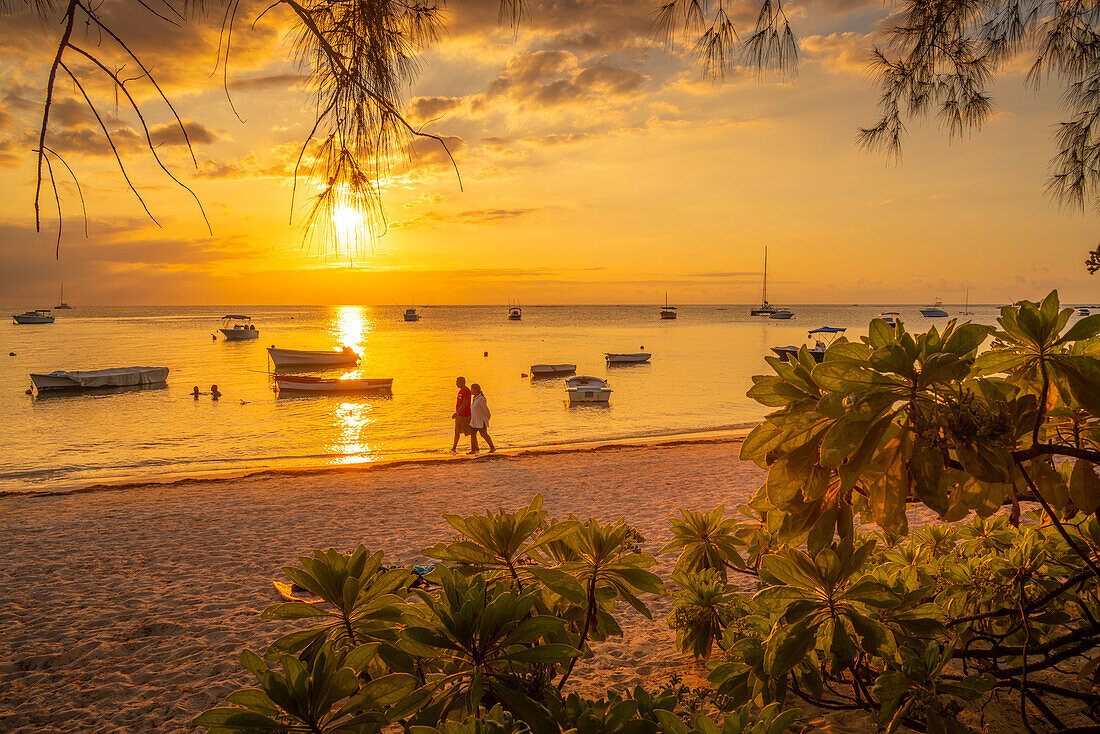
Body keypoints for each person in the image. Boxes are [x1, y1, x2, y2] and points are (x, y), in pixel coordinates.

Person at [468, 383, 496, 455]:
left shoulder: (481, 399)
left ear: (476, 390)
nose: (471, 391)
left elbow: (486, 410)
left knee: (484, 434)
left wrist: (487, 418)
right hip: (474, 421)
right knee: (473, 434)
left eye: (472, 389)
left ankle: (492, 447)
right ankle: (473, 450)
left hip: (480, 421)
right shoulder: (474, 398)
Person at [450, 376, 471, 454]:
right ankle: (454, 448)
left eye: (457, 382)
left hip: (465, 415)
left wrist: (457, 412)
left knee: (469, 432)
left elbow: (465, 403)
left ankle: (475, 448)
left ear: (462, 382)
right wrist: (457, 413)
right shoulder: (460, 391)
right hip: (459, 415)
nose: (456, 384)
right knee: (457, 431)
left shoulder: (466, 391)